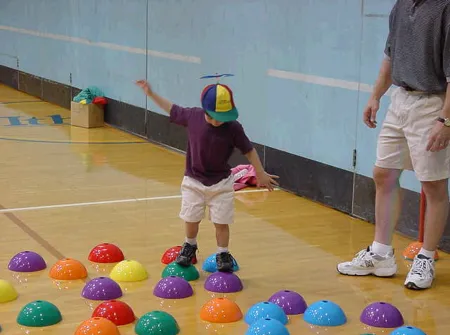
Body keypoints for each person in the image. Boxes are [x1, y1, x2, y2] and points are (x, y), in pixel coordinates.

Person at [337, 0, 450, 290]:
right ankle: (381, 253)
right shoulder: (401, 6)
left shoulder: (445, 8)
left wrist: (445, 120)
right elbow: (390, 55)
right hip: (400, 99)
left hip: (432, 103)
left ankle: (425, 257)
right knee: (383, 173)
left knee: (433, 184)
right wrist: (376, 95)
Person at [136, 79, 279, 272]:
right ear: (205, 110)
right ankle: (190, 245)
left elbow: (249, 150)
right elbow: (171, 108)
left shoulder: (233, 127)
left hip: (221, 184)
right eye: (214, 117)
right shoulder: (193, 116)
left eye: (223, 117)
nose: (218, 121)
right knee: (191, 218)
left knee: (222, 222)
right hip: (193, 181)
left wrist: (260, 173)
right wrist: (151, 94)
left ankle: (223, 252)